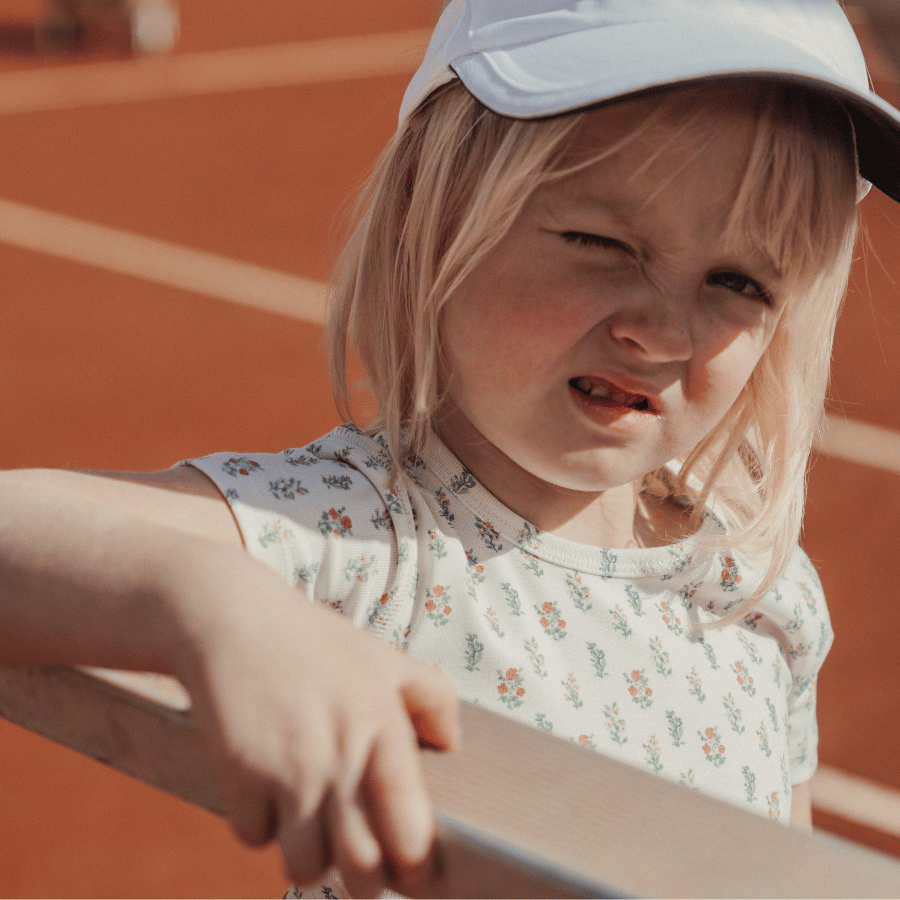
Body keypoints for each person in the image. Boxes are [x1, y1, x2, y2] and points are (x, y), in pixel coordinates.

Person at [3, 0, 900, 896]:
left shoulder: (762, 594)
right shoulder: (358, 535)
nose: (662, 330)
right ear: (425, 216)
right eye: (600, 241)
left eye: (738, 281)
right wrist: (210, 601)